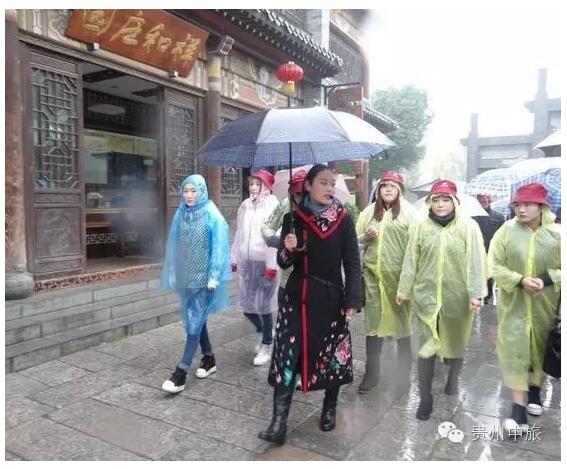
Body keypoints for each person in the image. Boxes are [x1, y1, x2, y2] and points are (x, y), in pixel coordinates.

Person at [259, 164, 361, 445]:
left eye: (332, 183)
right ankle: (278, 422)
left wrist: (352, 300)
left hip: (330, 298)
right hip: (296, 296)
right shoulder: (293, 218)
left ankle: (329, 406)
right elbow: (283, 262)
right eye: (323, 182)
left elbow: (352, 262)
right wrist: (288, 249)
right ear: (308, 185)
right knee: (286, 354)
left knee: (331, 353)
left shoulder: (343, 219)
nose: (329, 188)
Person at [396, 179, 487, 420]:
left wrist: (476, 293)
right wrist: (403, 290)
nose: (440, 204)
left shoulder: (468, 227)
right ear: (430, 202)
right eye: (436, 200)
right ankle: (425, 398)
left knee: (455, 342)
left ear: (454, 202)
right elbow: (411, 260)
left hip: (458, 297)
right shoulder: (421, 227)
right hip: (426, 297)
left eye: (446, 199)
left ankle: (453, 379)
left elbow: (477, 260)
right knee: (426, 346)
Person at [488, 182, 560, 434]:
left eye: (528, 204)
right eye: (517, 204)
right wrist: (519, 280)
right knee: (514, 351)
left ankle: (535, 391)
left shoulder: (557, 234)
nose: (521, 209)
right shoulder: (506, 231)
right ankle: (518, 410)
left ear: (542, 207)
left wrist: (546, 279)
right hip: (513, 305)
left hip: (545, 303)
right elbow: (493, 264)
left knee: (539, 348)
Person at [160, 175, 231, 394]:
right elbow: (174, 244)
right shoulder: (181, 213)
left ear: (202, 191)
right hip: (186, 277)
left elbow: (218, 247)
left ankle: (180, 372)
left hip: (204, 280)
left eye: (194, 191)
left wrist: (214, 276)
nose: (189, 195)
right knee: (197, 318)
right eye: (186, 191)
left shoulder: (212, 214)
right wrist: (173, 270)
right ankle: (209, 358)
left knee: (194, 321)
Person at [356, 171, 419, 393]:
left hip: (399, 282)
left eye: (393, 186)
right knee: (373, 327)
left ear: (400, 190)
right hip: (373, 281)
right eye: (384, 186)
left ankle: (403, 375)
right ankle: (372, 373)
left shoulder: (411, 214)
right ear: (378, 189)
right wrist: (365, 238)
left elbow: (415, 251)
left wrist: (407, 285)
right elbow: (353, 245)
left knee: (402, 328)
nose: (388, 189)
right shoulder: (368, 213)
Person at [261, 169, 307, 389]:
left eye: (304, 193)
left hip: (310, 279)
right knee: (289, 329)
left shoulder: (320, 208)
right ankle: (290, 370)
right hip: (288, 279)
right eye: (297, 194)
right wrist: (274, 239)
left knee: (308, 329)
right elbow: (267, 225)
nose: (301, 198)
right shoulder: (285, 206)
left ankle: (306, 370)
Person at [232, 169, 280, 365]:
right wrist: (235, 258)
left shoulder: (273, 206)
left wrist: (271, 265)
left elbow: (274, 237)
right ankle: (264, 331)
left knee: (263, 305)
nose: (252, 188)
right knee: (247, 307)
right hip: (248, 263)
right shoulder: (245, 206)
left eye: (257, 184)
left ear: (266, 187)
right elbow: (239, 233)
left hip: (265, 264)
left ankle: (267, 345)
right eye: (251, 184)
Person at [473, 194, 505, 303]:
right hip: (477, 247)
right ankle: (479, 293)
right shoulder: (472, 216)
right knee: (477, 270)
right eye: (482, 200)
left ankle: (487, 294)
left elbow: (502, 234)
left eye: (487, 199)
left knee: (489, 271)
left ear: (490, 200)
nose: (485, 202)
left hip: (492, 248)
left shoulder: (498, 216)